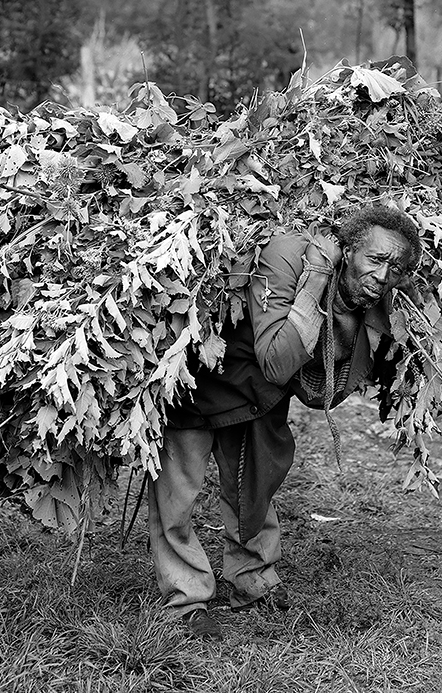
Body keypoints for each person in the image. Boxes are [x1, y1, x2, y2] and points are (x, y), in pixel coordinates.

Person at [148, 204, 422, 641]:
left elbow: (325, 392)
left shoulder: (370, 290)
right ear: (346, 250)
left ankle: (253, 581)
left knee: (256, 483)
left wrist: (351, 312)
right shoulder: (288, 256)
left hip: (258, 395)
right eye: (375, 259)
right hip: (201, 378)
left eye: (395, 268)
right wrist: (315, 280)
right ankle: (186, 599)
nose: (384, 275)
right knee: (177, 493)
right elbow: (277, 362)